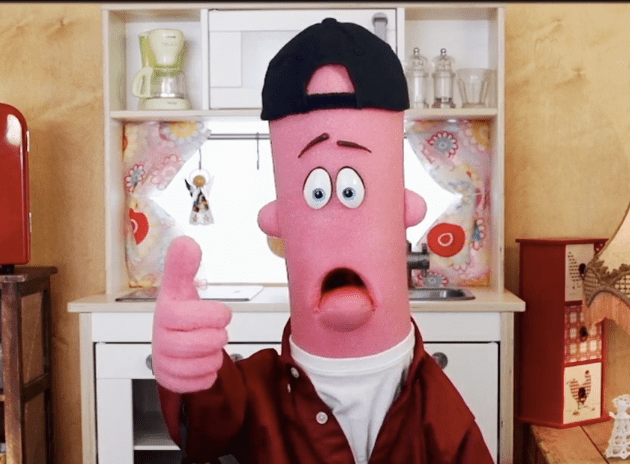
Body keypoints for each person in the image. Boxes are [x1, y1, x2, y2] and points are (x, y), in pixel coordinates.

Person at [152, 18, 495, 464]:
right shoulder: (257, 389)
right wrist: (189, 376)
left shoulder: (433, 403)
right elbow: (207, 430)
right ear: (279, 220)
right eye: (316, 193)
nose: (338, 221)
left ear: (403, 209)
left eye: (353, 191)